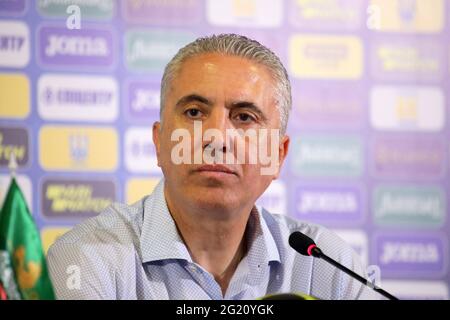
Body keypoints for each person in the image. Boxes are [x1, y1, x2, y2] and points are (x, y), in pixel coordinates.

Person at [47, 34, 378, 300]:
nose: (217, 138)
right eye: (194, 113)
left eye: (244, 117)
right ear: (159, 142)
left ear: (278, 155)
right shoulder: (86, 258)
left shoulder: (325, 266)